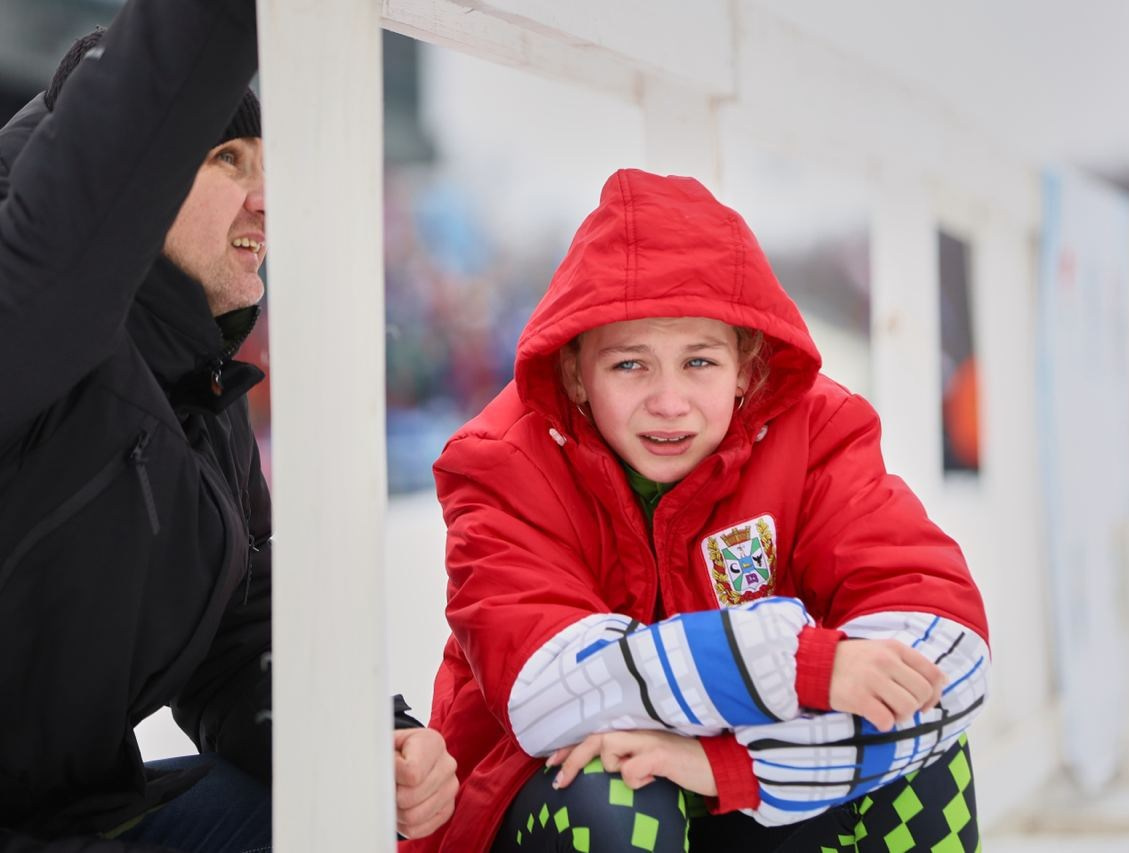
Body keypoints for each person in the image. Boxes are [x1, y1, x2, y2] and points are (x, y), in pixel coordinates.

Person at [406, 169, 990, 853]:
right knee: (612, 791)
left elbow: (945, 652)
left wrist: (732, 767)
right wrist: (797, 662)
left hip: (747, 792)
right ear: (574, 371)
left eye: (699, 362)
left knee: (926, 762)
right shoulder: (504, 463)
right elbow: (547, 692)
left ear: (746, 365)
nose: (669, 401)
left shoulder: (814, 434)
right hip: (555, 808)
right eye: (630, 365)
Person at [0, 1, 455, 849]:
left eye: (270, 164)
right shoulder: (30, 321)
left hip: (79, 816)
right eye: (226, 156)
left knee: (337, 806)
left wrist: (368, 743)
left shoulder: (197, 384)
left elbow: (235, 630)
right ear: (133, 176)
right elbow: (88, 197)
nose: (265, 200)